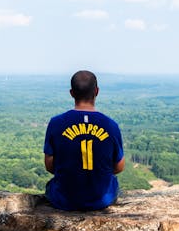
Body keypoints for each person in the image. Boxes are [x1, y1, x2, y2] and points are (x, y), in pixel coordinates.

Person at [44, 70, 125, 211]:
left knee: (51, 186)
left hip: (64, 199)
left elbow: (50, 166)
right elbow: (119, 167)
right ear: (97, 91)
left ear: (72, 93)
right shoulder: (111, 125)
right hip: (102, 199)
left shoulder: (56, 123)